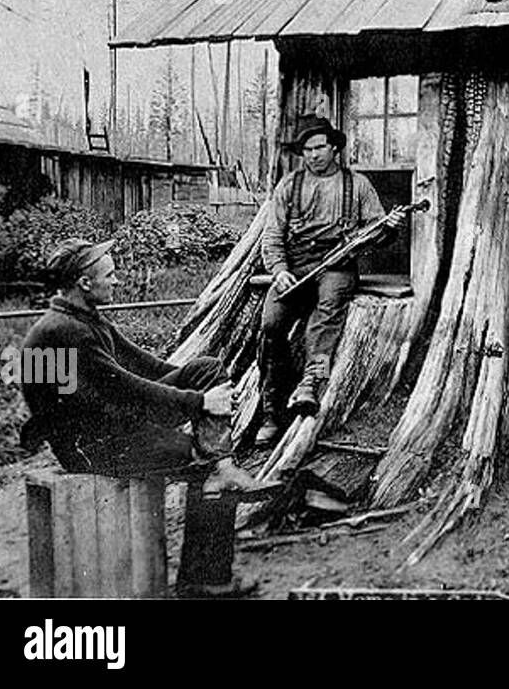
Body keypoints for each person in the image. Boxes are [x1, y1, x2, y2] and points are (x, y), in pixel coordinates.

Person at [20, 238, 261, 495]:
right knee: (201, 456)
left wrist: (208, 387)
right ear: (85, 283)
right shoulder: (67, 331)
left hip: (111, 424)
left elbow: (148, 366)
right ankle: (218, 478)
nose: (116, 281)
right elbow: (127, 388)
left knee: (206, 369)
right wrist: (200, 401)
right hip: (91, 448)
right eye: (110, 275)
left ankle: (222, 466)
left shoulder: (85, 319)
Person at [256, 114, 406, 446]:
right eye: (307, 149)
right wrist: (279, 269)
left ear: (334, 147)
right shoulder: (289, 186)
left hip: (337, 266)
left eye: (320, 147)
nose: (313, 155)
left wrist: (387, 229)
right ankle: (271, 412)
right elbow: (272, 236)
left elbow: (376, 236)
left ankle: (311, 384)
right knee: (271, 324)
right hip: (294, 267)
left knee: (326, 312)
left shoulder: (358, 185)